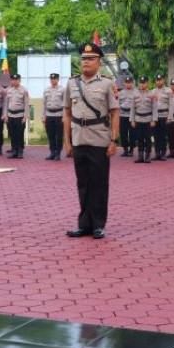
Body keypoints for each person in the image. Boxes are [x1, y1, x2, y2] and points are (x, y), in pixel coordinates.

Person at [64, 42, 119, 239]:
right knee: (83, 183)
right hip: (79, 138)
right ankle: (84, 224)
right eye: (84, 59)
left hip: (99, 139)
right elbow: (67, 113)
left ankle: (98, 224)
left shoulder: (106, 84)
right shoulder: (71, 83)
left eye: (90, 59)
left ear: (99, 62)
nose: (86, 62)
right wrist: (67, 141)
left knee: (99, 184)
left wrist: (114, 140)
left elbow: (114, 113)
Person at [130, 76, 157, 163]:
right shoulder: (135, 93)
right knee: (139, 138)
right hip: (138, 119)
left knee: (148, 138)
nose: (142, 84)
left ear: (147, 83)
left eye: (144, 82)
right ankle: (140, 156)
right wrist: (132, 120)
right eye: (141, 83)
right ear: (139, 83)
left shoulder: (152, 94)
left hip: (148, 120)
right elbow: (133, 108)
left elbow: (154, 108)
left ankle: (148, 156)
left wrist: (154, 120)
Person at [2, 73, 29, 159]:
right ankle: (14, 150)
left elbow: (26, 104)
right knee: (12, 134)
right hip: (10, 115)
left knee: (19, 134)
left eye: (16, 80)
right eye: (13, 80)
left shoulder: (24, 90)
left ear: (19, 80)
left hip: (20, 115)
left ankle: (20, 151)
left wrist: (25, 116)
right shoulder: (8, 91)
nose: (14, 81)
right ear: (11, 81)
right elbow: (6, 104)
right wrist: (5, 115)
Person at [42, 73, 65, 160]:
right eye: (51, 79)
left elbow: (65, 104)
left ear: (58, 80)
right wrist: (43, 116)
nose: (53, 80)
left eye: (55, 79)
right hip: (49, 115)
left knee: (59, 135)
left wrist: (64, 116)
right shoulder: (46, 90)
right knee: (50, 135)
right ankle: (52, 152)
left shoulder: (63, 89)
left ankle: (58, 153)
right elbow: (44, 104)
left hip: (59, 115)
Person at [151, 74, 172, 160]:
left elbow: (171, 104)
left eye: (160, 80)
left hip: (164, 115)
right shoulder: (152, 91)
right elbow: (150, 105)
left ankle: (163, 153)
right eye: (157, 80)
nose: (158, 82)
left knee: (163, 136)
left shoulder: (168, 91)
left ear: (163, 80)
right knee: (156, 135)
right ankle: (157, 153)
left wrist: (169, 117)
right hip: (155, 116)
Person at [118, 76, 137, 157]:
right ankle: (125, 149)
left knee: (132, 133)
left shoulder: (136, 92)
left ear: (132, 83)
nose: (128, 84)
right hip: (122, 115)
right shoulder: (121, 93)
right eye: (126, 83)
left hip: (132, 115)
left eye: (129, 83)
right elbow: (117, 104)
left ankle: (131, 150)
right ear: (124, 83)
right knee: (123, 133)